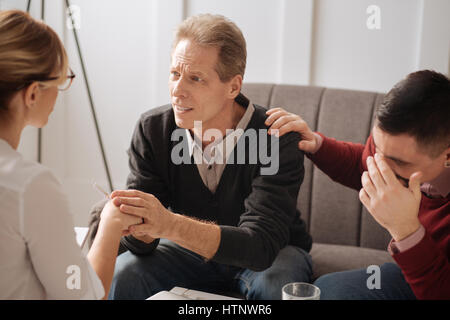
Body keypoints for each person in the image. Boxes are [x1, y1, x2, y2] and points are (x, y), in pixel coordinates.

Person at [89, 13, 313, 300]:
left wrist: (168, 223)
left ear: (233, 87)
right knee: (126, 273)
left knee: (276, 288)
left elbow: (260, 248)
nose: (177, 90)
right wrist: (140, 225)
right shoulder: (153, 129)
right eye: (174, 74)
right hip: (189, 250)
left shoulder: (276, 136)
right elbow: (142, 244)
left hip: (273, 255)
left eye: (195, 78)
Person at [265, 70, 450, 299]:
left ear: (447, 156)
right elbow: (364, 164)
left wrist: (406, 230)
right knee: (326, 292)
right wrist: (316, 144)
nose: (379, 166)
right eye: (378, 148)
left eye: (398, 162)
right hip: (410, 272)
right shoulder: (389, 149)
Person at [0, 10, 142, 299]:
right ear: (32, 94)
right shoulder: (30, 185)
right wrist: (111, 224)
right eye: (61, 80)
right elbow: (82, 295)